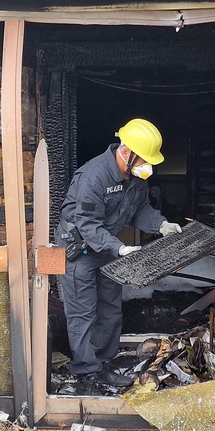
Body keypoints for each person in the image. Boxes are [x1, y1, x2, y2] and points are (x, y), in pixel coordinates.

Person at [55, 118, 182, 391]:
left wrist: (160, 224)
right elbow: (87, 223)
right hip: (79, 250)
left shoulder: (136, 178)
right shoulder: (94, 176)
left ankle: (104, 362)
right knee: (83, 313)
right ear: (126, 152)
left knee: (111, 309)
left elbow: (140, 210)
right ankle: (87, 373)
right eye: (144, 161)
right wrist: (120, 248)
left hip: (108, 247)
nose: (148, 167)